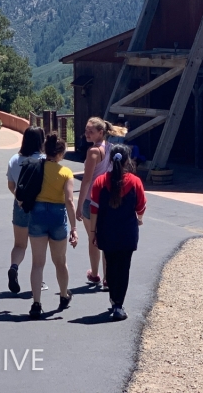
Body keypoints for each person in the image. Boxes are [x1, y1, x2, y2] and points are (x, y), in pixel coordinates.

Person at [89, 144, 146, 321]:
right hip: (127, 231)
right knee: (124, 267)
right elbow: (141, 206)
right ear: (128, 160)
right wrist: (140, 218)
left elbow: (94, 209)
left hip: (107, 230)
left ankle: (114, 300)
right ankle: (119, 304)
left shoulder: (100, 181)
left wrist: (93, 231)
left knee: (111, 265)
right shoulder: (135, 181)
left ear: (110, 159)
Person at [27, 133, 78, 319]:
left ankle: (36, 303)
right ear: (61, 153)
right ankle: (64, 295)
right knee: (60, 261)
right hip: (57, 216)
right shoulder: (66, 173)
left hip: (37, 214)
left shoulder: (36, 167)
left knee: (37, 263)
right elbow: (69, 201)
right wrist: (74, 228)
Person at [6, 126, 45, 294]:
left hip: (20, 205)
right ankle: (39, 281)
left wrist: (20, 199)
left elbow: (11, 185)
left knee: (20, 244)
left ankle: (14, 267)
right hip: (40, 206)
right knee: (39, 247)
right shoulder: (44, 160)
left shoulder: (14, 159)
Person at [76, 116, 114, 287]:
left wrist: (78, 205)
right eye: (86, 130)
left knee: (93, 238)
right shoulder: (110, 148)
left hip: (92, 199)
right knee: (106, 238)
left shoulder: (93, 152)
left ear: (100, 132)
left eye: (90, 131)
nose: (87, 134)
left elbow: (86, 180)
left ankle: (95, 273)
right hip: (106, 198)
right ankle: (108, 278)